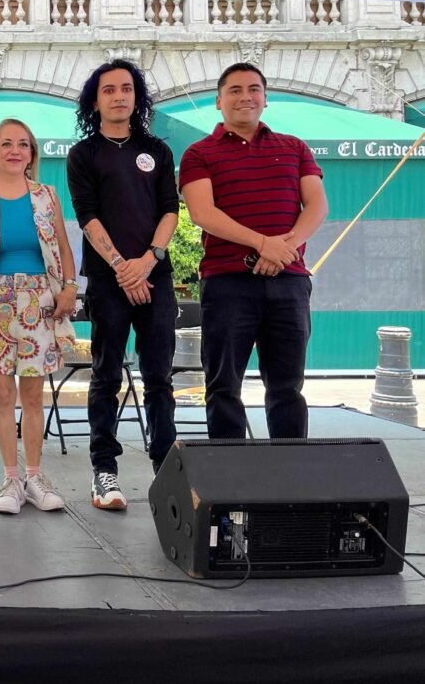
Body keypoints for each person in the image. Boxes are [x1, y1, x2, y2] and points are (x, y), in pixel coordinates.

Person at [179, 63, 328, 439]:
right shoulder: (199, 153)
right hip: (227, 283)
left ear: (265, 97)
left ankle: (291, 480)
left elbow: (317, 206)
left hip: (289, 282)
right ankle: (229, 483)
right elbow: (202, 213)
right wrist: (264, 243)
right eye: (234, 90)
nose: (245, 97)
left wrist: (283, 249)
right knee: (223, 387)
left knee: (287, 388)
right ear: (218, 101)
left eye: (254, 89)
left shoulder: (295, 147)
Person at [67, 59, 179, 510]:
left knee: (160, 379)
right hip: (108, 280)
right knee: (106, 375)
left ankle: (167, 469)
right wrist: (121, 267)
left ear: (137, 97)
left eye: (126, 89)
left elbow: (171, 209)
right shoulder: (83, 155)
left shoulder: (157, 149)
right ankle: (105, 472)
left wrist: (148, 262)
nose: (118, 96)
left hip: (155, 278)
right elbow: (87, 215)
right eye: (109, 90)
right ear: (95, 100)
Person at [0, 118, 77, 514]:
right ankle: (10, 479)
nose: (14, 150)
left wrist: (70, 287)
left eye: (23, 144)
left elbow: (62, 246)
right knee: (3, 395)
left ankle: (36, 477)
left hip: (40, 301)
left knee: (33, 395)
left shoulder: (47, 196)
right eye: (5, 143)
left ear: (31, 154)